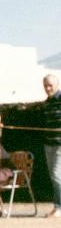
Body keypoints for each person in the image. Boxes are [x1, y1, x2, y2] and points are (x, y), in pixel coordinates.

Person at [41, 74, 61, 218]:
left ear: (57, 85)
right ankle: (57, 206)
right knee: (54, 176)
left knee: (56, 176)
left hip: (60, 143)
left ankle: (59, 207)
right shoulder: (46, 103)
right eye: (45, 86)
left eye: (50, 85)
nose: (48, 88)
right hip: (49, 144)